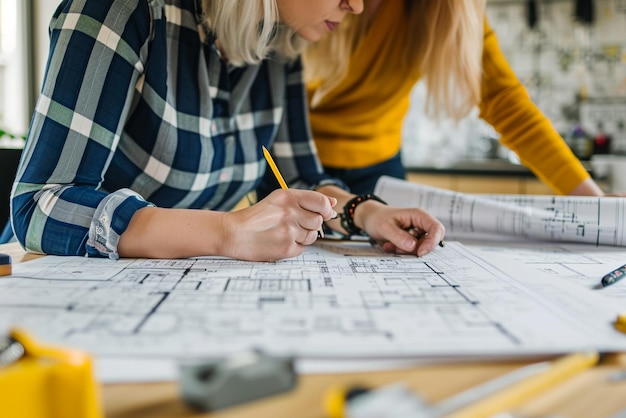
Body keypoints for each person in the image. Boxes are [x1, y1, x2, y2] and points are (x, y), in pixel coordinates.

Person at [9, 0, 445, 261]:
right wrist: (226, 232)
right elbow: (39, 204)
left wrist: (366, 214)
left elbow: (299, 181)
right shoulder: (122, 10)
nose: (359, 5)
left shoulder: (284, 41)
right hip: (58, 287)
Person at [303, 0, 609, 197]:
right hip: (295, 162)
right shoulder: (315, 9)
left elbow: (507, 104)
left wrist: (593, 201)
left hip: (380, 172)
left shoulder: (449, 9)